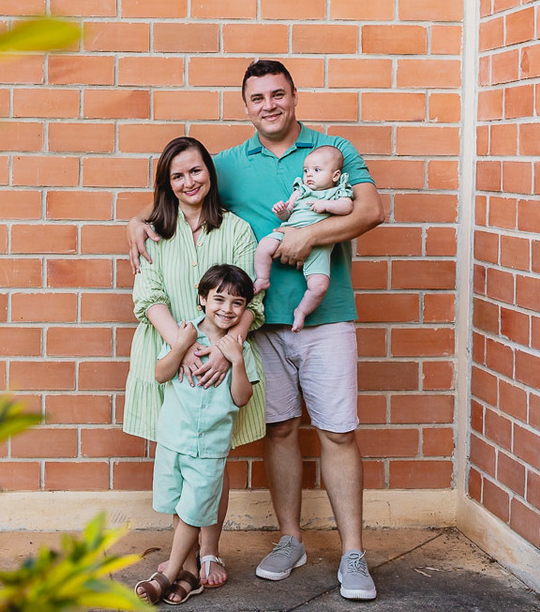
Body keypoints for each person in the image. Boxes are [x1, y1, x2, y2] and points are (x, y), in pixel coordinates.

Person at [127, 59, 385, 602]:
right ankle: (290, 540)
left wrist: (311, 236)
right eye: (257, 98)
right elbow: (178, 185)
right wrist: (139, 222)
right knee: (281, 430)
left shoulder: (332, 152)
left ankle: (353, 553)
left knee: (338, 431)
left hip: (325, 315)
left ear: (295, 96)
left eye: (278, 95)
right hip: (260, 329)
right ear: (246, 105)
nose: (269, 105)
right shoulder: (228, 163)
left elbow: (370, 211)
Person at [123, 136, 267, 591]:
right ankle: (182, 561)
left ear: (210, 172)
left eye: (196, 170)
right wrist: (182, 346)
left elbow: (251, 302)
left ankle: (207, 554)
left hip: (224, 357)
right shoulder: (153, 232)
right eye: (177, 175)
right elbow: (148, 296)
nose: (189, 181)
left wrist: (228, 351)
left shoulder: (237, 230)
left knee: (213, 459)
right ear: (167, 184)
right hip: (170, 350)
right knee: (181, 457)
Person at [134, 265, 261, 606]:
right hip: (174, 439)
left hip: (210, 447)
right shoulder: (185, 332)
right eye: (218, 299)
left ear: (245, 307)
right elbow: (161, 374)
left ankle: (166, 574)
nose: (227, 309)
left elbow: (242, 397)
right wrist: (181, 346)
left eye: (237, 303)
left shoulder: (239, 347)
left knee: (194, 511)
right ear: (202, 299)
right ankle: (190, 573)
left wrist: (235, 362)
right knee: (178, 505)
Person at [253, 144, 354, 332]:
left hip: (320, 246)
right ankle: (262, 279)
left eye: (317, 170)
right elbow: (288, 213)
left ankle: (301, 311)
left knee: (319, 286)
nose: (309, 175)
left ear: (335, 175)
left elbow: (347, 208)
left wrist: (326, 205)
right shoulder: (301, 190)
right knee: (264, 246)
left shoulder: (337, 192)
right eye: (306, 170)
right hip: (289, 230)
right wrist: (282, 211)